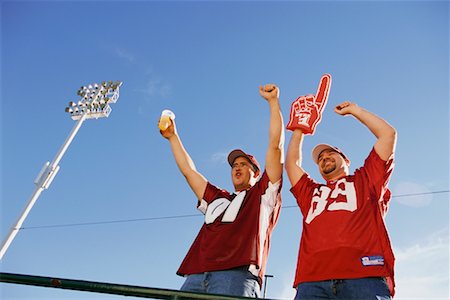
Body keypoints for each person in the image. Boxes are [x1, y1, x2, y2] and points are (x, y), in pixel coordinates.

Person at [159, 84, 284, 297]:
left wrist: (273, 103)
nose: (237, 167)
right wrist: (173, 137)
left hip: (237, 275)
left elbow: (275, 148)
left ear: (256, 172)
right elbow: (189, 171)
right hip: (196, 275)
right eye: (235, 164)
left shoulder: (262, 195)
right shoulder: (218, 197)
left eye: (244, 164)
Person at [285, 100, 397, 299]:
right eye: (320, 158)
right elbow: (291, 165)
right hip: (312, 281)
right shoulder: (310, 192)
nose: (324, 158)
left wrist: (355, 111)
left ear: (346, 160)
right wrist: (299, 129)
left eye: (330, 154)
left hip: (364, 275)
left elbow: (387, 135)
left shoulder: (365, 180)